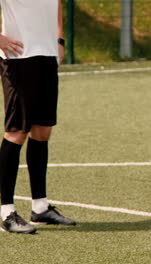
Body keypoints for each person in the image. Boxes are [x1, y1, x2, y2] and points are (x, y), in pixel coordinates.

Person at [0, 0, 76, 234]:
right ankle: (5, 212)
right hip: (18, 57)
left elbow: (57, 3)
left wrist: (59, 39)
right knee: (17, 132)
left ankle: (40, 207)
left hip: (46, 55)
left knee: (42, 131)